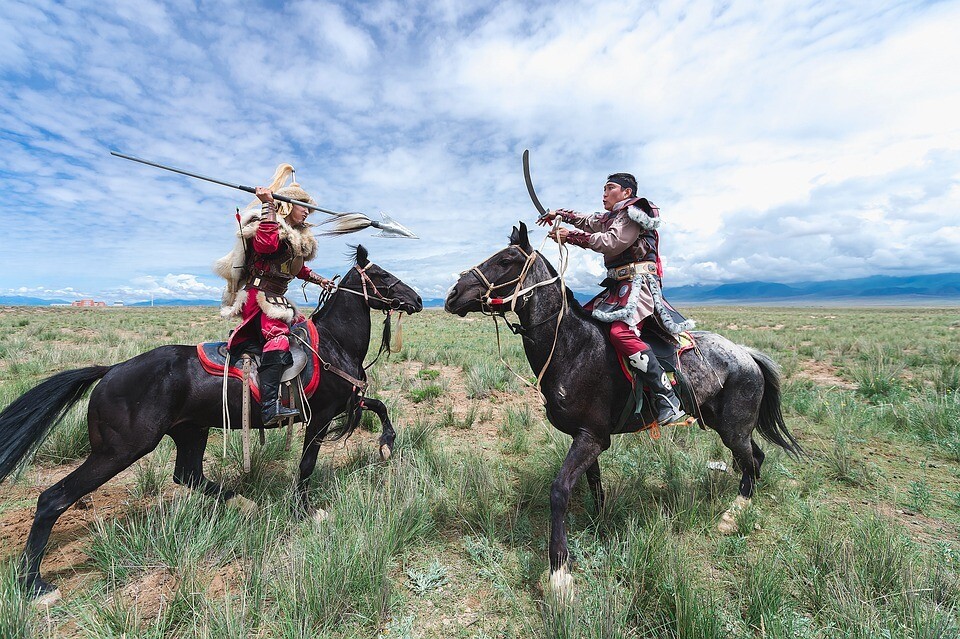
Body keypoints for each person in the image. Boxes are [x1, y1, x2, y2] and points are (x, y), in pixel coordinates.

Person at [538, 172, 694, 429]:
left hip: (639, 286)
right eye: (603, 189)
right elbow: (589, 221)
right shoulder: (613, 216)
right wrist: (559, 214)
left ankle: (667, 397)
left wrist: (572, 237)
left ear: (627, 192)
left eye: (609, 188)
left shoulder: (634, 212)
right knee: (585, 325)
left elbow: (612, 241)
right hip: (617, 287)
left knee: (621, 333)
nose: (604, 193)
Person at [215, 163, 335, 425]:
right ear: (290, 205)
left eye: (309, 208)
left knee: (305, 330)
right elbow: (266, 245)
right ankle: (269, 408)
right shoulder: (271, 226)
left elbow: (296, 269)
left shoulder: (295, 237)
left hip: (277, 298)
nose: (308, 212)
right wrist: (268, 205)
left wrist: (320, 280)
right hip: (259, 298)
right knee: (278, 338)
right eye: (304, 206)